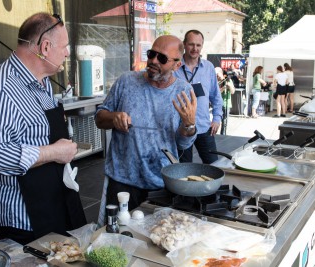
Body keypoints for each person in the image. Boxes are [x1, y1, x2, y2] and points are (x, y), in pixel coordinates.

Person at [0, 12, 86, 245]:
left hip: (54, 201)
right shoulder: (0, 89)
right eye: (64, 46)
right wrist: (53, 152)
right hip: (23, 218)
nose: (66, 52)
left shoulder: (41, 81)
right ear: (45, 47)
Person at [95, 35, 197, 225]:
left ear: (177, 64)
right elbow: (100, 119)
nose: (153, 61)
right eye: (151, 54)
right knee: (113, 240)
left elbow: (182, 144)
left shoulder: (183, 91)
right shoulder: (126, 81)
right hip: (122, 181)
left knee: (155, 241)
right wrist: (113, 117)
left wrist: (189, 125)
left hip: (160, 184)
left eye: (162, 58)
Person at [174, 29, 223, 164]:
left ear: (202, 46)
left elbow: (216, 96)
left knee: (213, 166)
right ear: (184, 44)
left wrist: (217, 118)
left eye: (198, 45)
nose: (195, 48)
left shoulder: (208, 67)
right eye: (191, 44)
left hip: (204, 127)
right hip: (181, 129)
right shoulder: (174, 67)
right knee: (183, 169)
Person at [215, 67, 235, 134]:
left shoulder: (228, 80)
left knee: (224, 122)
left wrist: (229, 86)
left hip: (226, 104)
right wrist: (223, 88)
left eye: (218, 75)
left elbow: (232, 92)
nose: (217, 77)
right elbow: (216, 93)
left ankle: (223, 134)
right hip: (218, 104)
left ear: (221, 73)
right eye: (216, 75)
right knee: (216, 121)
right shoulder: (216, 82)